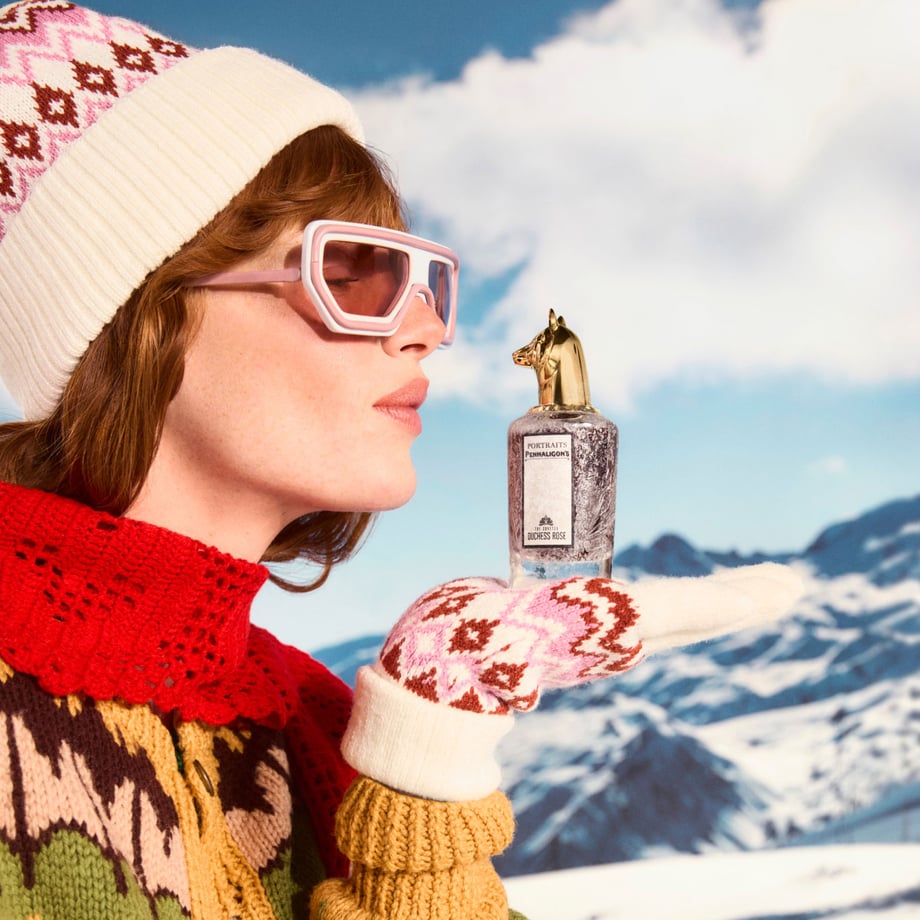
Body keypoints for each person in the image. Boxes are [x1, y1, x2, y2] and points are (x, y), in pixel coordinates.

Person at [0, 3, 802, 918]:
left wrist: (423, 763)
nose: (425, 331)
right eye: (353, 273)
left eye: (430, 285)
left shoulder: (315, 726)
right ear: (147, 319)